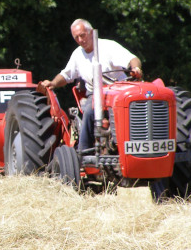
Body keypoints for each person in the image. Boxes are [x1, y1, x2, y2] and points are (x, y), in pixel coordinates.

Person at [41, 18, 142, 151]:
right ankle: (84, 151)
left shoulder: (109, 46)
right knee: (89, 110)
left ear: (91, 33)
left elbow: (132, 59)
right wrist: (53, 83)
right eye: (76, 37)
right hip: (95, 94)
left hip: (120, 91)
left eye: (82, 35)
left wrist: (136, 69)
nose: (80, 40)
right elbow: (66, 75)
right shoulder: (77, 54)